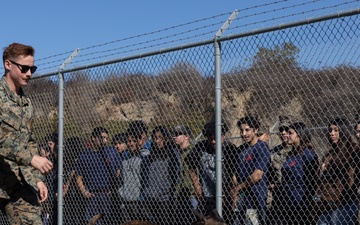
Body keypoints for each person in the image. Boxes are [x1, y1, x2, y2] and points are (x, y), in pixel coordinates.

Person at [0, 42, 53, 224]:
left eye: (32, 69)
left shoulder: (26, 104)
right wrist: (31, 158)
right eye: (24, 68)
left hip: (16, 183)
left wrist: (36, 179)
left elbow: (29, 142)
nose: (29, 74)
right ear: (8, 64)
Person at [186, 119, 237, 224]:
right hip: (207, 196)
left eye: (215, 138)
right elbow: (190, 166)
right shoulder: (200, 147)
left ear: (223, 136)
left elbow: (234, 173)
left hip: (225, 195)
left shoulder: (230, 148)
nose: (213, 141)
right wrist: (197, 185)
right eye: (210, 138)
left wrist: (232, 194)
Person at [313, 118, 358, 225]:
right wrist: (316, 199)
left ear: (344, 131)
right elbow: (321, 180)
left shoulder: (353, 150)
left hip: (344, 203)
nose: (332, 133)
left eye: (336, 130)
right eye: (330, 130)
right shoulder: (329, 154)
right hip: (325, 203)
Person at [75, 126, 121, 225]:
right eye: (102, 137)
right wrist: (84, 192)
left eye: (106, 138)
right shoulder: (84, 155)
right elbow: (78, 177)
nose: (105, 140)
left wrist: (114, 188)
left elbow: (118, 171)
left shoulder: (111, 152)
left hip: (108, 196)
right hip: (93, 196)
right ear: (93, 138)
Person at [230, 116, 270, 225]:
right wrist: (236, 194)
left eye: (247, 130)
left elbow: (257, 176)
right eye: (242, 130)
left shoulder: (261, 148)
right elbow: (235, 173)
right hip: (242, 201)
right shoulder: (241, 150)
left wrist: (238, 188)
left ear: (255, 130)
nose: (244, 134)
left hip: (255, 200)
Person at [278, 122, 319, 224]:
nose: (287, 135)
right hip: (287, 201)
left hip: (302, 203)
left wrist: (312, 202)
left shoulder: (308, 154)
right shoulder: (291, 154)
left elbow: (313, 182)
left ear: (299, 135)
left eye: (291, 133)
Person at [141, 125, 180, 225]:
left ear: (166, 139)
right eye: (155, 138)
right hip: (151, 199)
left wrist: (160, 192)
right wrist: (148, 192)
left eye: (160, 138)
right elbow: (147, 178)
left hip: (165, 200)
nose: (157, 141)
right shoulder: (151, 156)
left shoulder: (172, 155)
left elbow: (175, 178)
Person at [115, 126, 147, 223]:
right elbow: (121, 179)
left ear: (138, 141)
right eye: (128, 141)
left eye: (133, 140)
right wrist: (121, 193)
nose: (131, 143)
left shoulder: (144, 157)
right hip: (125, 202)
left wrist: (142, 197)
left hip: (139, 203)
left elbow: (146, 180)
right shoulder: (125, 159)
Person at [266, 115, 293, 223]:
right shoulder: (274, 151)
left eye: (286, 129)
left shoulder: (298, 150)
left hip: (292, 196)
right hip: (277, 197)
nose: (283, 132)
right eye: (281, 130)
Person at [172, 125, 197, 225]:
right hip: (179, 195)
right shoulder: (176, 153)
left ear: (186, 136)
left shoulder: (194, 151)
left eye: (178, 134)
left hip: (192, 195)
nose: (174, 137)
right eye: (174, 134)